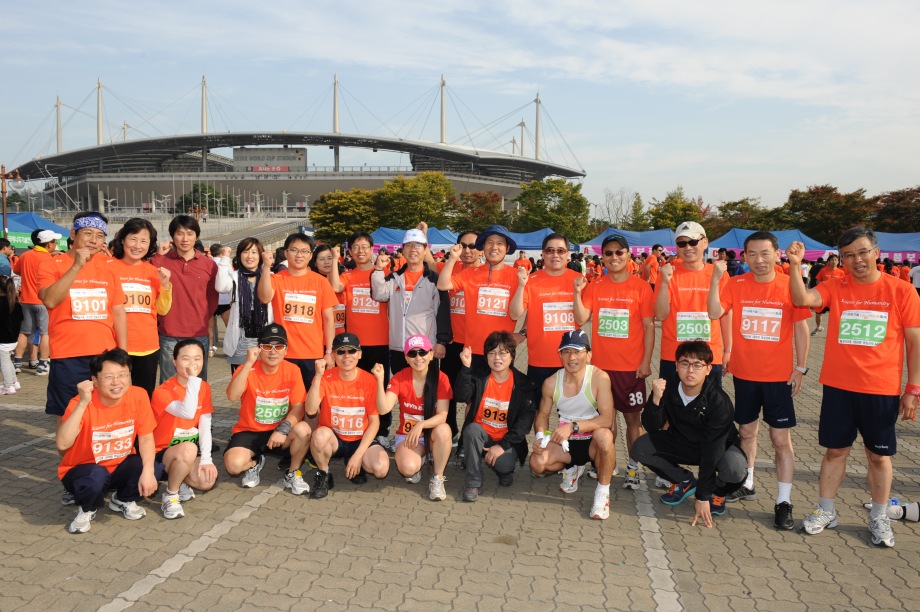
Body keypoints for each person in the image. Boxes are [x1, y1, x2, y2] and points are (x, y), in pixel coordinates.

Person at [786, 228, 920, 548]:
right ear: (841, 259)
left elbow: (915, 342)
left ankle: (879, 516)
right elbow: (803, 299)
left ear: (875, 251)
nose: (856, 260)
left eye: (862, 252)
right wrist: (793, 265)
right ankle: (826, 510)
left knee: (878, 456)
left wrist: (913, 388)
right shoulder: (836, 285)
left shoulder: (901, 291)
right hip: (838, 386)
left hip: (881, 388)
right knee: (835, 451)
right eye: (848, 254)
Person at [707, 231, 812, 529]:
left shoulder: (790, 285)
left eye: (765, 253)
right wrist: (715, 279)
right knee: (747, 434)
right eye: (752, 254)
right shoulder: (737, 284)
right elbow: (714, 311)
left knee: (780, 439)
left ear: (777, 254)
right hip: (745, 376)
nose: (759, 260)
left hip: (779, 378)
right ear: (744, 257)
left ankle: (783, 501)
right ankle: (748, 482)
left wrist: (801, 367)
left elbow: (802, 329)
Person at [632, 340, 746, 528]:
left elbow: (712, 452)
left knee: (736, 468)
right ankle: (684, 481)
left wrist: (703, 497)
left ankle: (718, 492)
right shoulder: (667, 387)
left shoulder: (719, 402)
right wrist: (655, 399)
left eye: (697, 365)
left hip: (716, 448)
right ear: (676, 366)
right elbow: (652, 427)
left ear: (708, 369)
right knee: (640, 448)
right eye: (685, 364)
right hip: (683, 442)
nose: (690, 371)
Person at [574, 233, 655, 491]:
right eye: (608, 253)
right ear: (603, 258)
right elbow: (582, 317)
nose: (614, 257)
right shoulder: (595, 285)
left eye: (619, 252)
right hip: (601, 369)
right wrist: (577, 293)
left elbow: (649, 327)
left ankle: (634, 467)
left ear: (628, 255)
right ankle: (608, 462)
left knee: (633, 422)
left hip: (631, 369)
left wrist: (645, 362)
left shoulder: (641, 287)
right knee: (605, 422)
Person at [56, 348, 162, 533]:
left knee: (154, 467)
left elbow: (145, 438)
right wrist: (83, 403)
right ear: (94, 381)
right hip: (84, 470)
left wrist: (148, 471)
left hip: (119, 466)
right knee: (96, 477)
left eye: (123, 375)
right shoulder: (80, 402)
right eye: (108, 377)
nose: (117, 382)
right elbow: (62, 444)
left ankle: (122, 499)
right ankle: (87, 509)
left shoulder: (138, 395)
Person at [39, 212, 127, 421]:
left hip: (104, 355)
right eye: (87, 233)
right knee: (69, 416)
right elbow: (50, 300)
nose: (93, 240)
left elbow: (118, 312)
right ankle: (71, 455)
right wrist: (77, 266)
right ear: (73, 234)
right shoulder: (52, 263)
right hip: (67, 355)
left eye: (99, 235)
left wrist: (123, 354)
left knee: (104, 416)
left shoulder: (110, 265)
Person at [371, 228, 451, 445]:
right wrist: (378, 270)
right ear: (403, 250)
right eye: (409, 246)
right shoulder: (394, 277)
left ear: (426, 250)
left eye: (418, 246)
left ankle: (430, 437)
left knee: (428, 393)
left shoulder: (434, 279)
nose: (413, 250)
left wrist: (441, 341)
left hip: (425, 350)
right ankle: (404, 433)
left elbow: (442, 311)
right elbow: (379, 294)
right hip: (399, 348)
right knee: (402, 393)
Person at [529, 330, 616, 520]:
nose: (572, 357)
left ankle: (602, 495)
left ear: (589, 355)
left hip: (592, 442)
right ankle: (573, 468)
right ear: (560, 355)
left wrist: (573, 426)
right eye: (566, 351)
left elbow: (607, 419)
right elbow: (542, 415)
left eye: (578, 351)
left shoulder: (599, 378)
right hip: (566, 445)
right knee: (536, 463)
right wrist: (539, 438)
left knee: (605, 436)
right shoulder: (551, 382)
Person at [224, 323, 310, 493]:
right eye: (267, 346)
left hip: (279, 433)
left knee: (304, 430)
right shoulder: (245, 369)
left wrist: (283, 428)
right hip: (249, 431)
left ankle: (292, 473)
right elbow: (233, 396)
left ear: (286, 350)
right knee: (233, 466)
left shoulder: (293, 370)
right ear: (258, 349)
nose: (273, 351)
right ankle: (254, 463)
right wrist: (248, 363)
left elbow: (299, 408)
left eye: (278, 346)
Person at [307, 332, 390, 499]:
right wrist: (317, 376)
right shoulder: (325, 378)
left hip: (360, 439)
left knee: (380, 469)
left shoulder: (370, 380)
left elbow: (375, 422)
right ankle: (324, 474)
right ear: (333, 356)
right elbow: (310, 410)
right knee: (319, 436)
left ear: (359, 354)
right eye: (340, 352)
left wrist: (358, 455)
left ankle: (352, 458)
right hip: (335, 438)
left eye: (351, 351)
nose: (346, 356)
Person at [455, 331, 535, 501]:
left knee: (504, 465)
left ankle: (505, 471)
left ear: (512, 356)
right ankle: (473, 483)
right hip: (481, 437)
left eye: (502, 352)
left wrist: (502, 446)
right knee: (471, 430)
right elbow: (461, 396)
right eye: (491, 353)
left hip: (506, 441)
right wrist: (466, 368)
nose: (496, 358)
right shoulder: (479, 376)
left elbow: (524, 423)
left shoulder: (523, 384)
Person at [511, 232, 582, 416]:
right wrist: (520, 285)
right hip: (539, 361)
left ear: (568, 254)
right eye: (550, 250)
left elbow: (584, 318)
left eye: (560, 250)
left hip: (571, 360)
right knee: (538, 412)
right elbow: (515, 313)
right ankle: (539, 445)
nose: (555, 255)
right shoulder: (531, 281)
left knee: (570, 414)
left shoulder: (579, 281)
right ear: (543, 254)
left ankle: (567, 445)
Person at [150, 215, 227, 383]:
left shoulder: (208, 265)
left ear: (197, 236)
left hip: (198, 334)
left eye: (190, 233)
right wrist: (156, 257)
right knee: (169, 385)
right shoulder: (160, 262)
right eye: (180, 233)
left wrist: (201, 317)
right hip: (169, 334)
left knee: (197, 384)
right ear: (172, 237)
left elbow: (212, 299)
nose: (185, 239)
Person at [654, 221, 730, 387]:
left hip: (709, 355)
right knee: (671, 410)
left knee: (709, 409)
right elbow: (660, 315)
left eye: (693, 242)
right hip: (673, 355)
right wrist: (665, 283)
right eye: (682, 243)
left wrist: (728, 350)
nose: (687, 247)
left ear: (705, 242)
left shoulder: (719, 274)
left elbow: (725, 315)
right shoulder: (667, 273)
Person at [258, 233, 337, 387]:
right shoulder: (276, 279)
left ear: (310, 255)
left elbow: (329, 320)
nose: (299, 255)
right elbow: (264, 297)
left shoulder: (321, 282)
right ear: (286, 253)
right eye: (294, 250)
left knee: (313, 404)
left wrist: (329, 352)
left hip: (313, 354)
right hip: (283, 353)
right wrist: (266, 267)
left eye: (304, 251)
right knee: (286, 403)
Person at [379, 334, 453, 500]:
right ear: (406, 358)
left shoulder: (441, 379)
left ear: (431, 354)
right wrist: (379, 380)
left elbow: (442, 415)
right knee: (408, 468)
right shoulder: (399, 377)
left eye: (422, 352)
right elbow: (384, 409)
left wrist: (421, 425)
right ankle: (421, 457)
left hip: (431, 435)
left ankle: (438, 478)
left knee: (444, 430)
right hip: (408, 436)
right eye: (412, 354)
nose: (418, 358)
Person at [438, 225, 520, 371]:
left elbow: (526, 311)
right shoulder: (470, 273)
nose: (494, 247)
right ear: (483, 247)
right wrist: (452, 258)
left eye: (500, 243)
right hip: (472, 352)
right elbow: (443, 284)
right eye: (490, 242)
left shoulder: (517, 276)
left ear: (507, 248)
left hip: (501, 353)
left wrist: (523, 334)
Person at [151, 339, 217, 519]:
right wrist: (194, 380)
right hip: (161, 452)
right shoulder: (162, 391)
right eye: (186, 359)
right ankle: (171, 495)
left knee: (205, 481)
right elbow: (187, 412)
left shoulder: (204, 387)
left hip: (187, 450)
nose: (192, 364)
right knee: (189, 448)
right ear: (174, 361)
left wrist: (206, 459)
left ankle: (179, 480)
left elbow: (204, 426)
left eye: (197, 359)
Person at [111, 218, 173, 397]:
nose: (138, 245)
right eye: (133, 239)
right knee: (114, 395)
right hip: (114, 346)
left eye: (144, 241)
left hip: (147, 346)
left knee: (143, 397)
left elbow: (162, 309)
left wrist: (166, 285)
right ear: (123, 240)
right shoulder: (109, 268)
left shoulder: (153, 271)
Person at [434, 230, 480, 439]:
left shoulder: (486, 273)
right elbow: (432, 266)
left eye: (473, 245)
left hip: (476, 344)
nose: (468, 250)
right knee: (449, 390)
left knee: (474, 393)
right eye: (464, 245)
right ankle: (450, 430)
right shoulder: (451, 267)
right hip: (453, 342)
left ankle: (468, 437)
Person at [219, 238, 272, 373]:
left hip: (264, 343)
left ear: (260, 255)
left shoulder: (269, 276)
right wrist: (225, 258)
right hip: (240, 344)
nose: (250, 256)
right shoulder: (234, 276)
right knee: (240, 386)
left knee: (262, 386)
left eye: (254, 252)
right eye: (245, 252)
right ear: (239, 255)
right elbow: (220, 286)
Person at [13, 229, 59, 375]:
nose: (56, 244)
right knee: (45, 333)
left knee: (24, 332)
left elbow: (17, 270)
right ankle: (42, 364)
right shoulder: (48, 259)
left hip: (26, 300)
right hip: (43, 301)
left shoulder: (25, 255)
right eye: (54, 242)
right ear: (49, 244)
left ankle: (17, 362)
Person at [311, 243, 347, 335]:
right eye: (321, 259)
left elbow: (335, 288)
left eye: (330, 258)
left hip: (341, 336)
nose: (326, 262)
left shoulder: (343, 278)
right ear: (315, 262)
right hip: (318, 334)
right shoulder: (311, 282)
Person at [810, 253, 844, 336]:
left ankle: (836, 331)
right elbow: (817, 281)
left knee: (836, 315)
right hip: (824, 296)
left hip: (835, 297)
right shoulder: (823, 270)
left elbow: (844, 284)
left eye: (836, 260)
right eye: (832, 259)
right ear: (828, 261)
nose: (834, 261)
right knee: (818, 313)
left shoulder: (841, 272)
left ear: (838, 261)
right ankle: (818, 327)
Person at [0, 274, 23, 395]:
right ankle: (14, 382)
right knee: (8, 360)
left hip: (3, 340)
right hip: (13, 339)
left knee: (4, 362)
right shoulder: (16, 304)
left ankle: (7, 385)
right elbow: (21, 319)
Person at [210, 243, 233, 356]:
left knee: (210, 327)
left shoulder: (208, 262)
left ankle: (210, 349)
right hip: (223, 299)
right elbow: (231, 277)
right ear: (221, 252)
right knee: (229, 326)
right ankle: (230, 348)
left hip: (210, 299)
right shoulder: (225, 263)